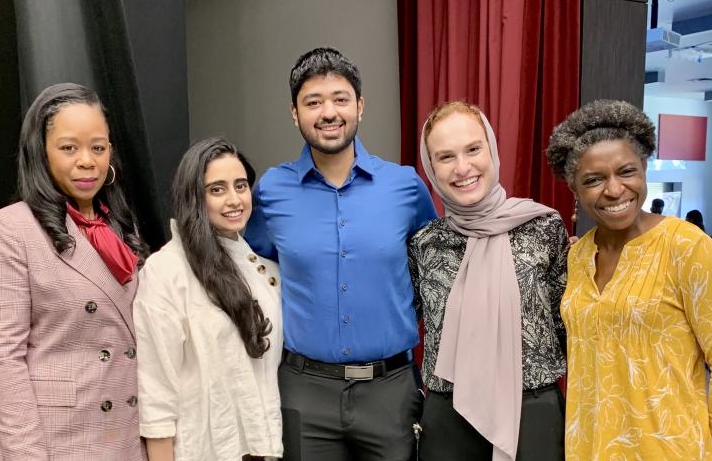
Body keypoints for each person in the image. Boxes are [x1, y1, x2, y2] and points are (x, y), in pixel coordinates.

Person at [244, 47, 437, 460]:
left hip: (390, 389)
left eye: (340, 99)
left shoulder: (404, 186)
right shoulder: (270, 192)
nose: (328, 112)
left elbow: (437, 273)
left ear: (360, 106)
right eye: (313, 102)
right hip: (303, 390)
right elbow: (249, 273)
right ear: (295, 113)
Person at [545, 99, 712, 461]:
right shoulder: (578, 257)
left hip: (669, 448)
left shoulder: (685, 245)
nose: (614, 190)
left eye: (626, 171)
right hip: (590, 447)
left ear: (644, 170)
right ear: (575, 192)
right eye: (594, 180)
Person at [0, 83, 149, 460]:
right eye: (69, 147)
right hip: (58, 442)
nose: (87, 161)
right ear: (41, 152)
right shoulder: (11, 228)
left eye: (98, 147)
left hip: (126, 437)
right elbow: (4, 359)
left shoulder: (119, 226)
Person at [409, 102, 568, 461]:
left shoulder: (543, 227)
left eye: (473, 149)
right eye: (445, 156)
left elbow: (569, 326)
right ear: (430, 167)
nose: (462, 167)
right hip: (449, 417)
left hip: (533, 413)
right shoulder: (424, 244)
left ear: (491, 149)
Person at [134, 138, 283, 461]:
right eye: (217, 189)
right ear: (194, 198)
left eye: (240, 186)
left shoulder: (264, 272)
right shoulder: (167, 271)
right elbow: (156, 390)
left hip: (262, 450)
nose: (234, 200)